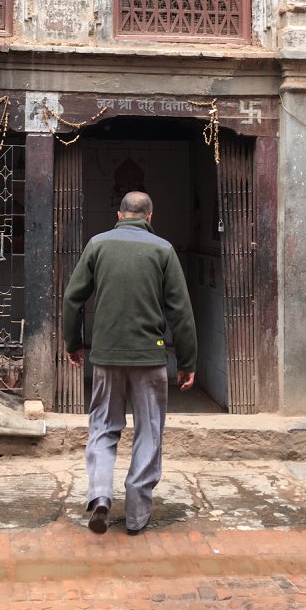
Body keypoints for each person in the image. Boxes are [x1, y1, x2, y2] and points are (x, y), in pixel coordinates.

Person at [62, 191, 197, 536]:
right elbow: (180, 311)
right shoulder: (163, 250)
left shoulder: (97, 244)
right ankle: (136, 514)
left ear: (120, 215)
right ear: (149, 217)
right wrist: (187, 360)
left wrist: (74, 343)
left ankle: (101, 496)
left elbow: (72, 298)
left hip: (106, 356)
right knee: (149, 431)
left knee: (104, 427)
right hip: (150, 358)